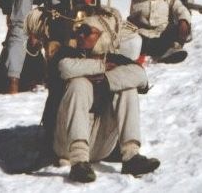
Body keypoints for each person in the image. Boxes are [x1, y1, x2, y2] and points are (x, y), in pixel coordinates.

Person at [52, 14, 160, 182]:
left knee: (127, 87)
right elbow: (64, 68)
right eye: (80, 31)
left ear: (104, 36)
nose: (80, 35)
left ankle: (131, 156)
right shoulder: (68, 53)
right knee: (79, 84)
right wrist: (100, 67)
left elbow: (141, 76)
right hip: (67, 146)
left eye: (87, 32)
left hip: (101, 146)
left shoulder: (114, 59)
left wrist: (107, 81)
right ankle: (79, 163)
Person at [128, 0, 192, 60]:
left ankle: (170, 50)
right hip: (144, 35)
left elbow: (180, 8)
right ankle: (163, 51)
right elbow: (132, 19)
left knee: (179, 30)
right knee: (135, 41)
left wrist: (184, 21)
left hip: (163, 33)